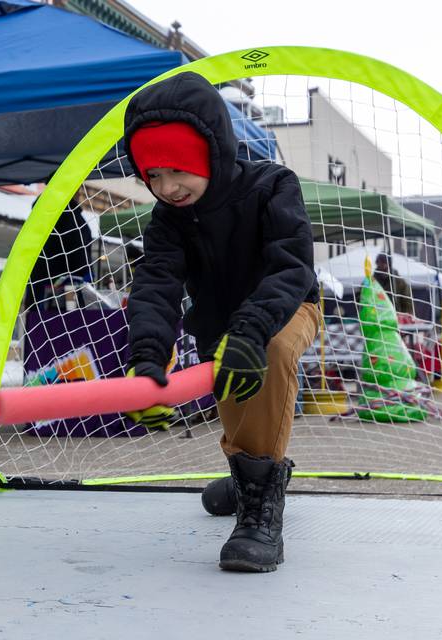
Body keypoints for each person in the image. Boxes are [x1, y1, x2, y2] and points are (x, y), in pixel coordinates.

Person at [121, 72, 320, 572]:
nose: (167, 188)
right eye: (154, 177)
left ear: (207, 151)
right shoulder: (169, 219)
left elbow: (291, 266)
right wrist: (147, 358)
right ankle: (244, 477)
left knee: (268, 354)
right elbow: (156, 283)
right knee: (237, 408)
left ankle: (259, 512)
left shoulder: (273, 184)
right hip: (220, 324)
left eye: (177, 171)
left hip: (286, 307)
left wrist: (251, 330)